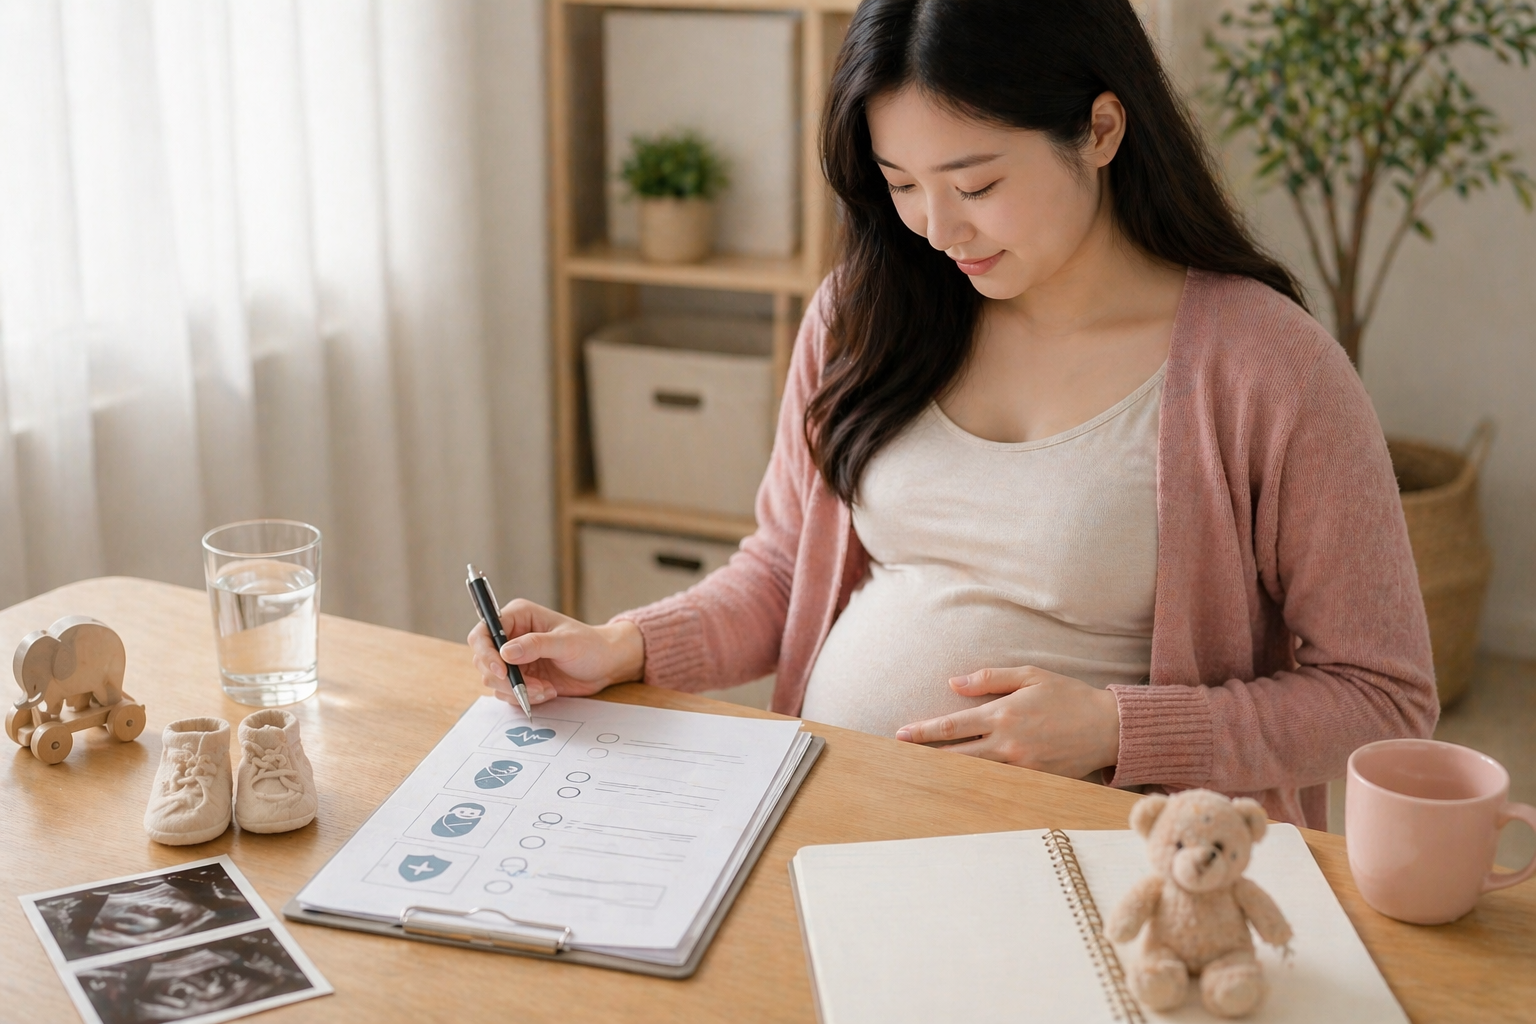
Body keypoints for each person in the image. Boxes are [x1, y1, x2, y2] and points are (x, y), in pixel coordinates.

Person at [470, 0, 1437, 828]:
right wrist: (624, 645)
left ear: (1101, 130)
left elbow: (1384, 698)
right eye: (901, 187)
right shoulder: (866, 313)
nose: (938, 229)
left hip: (1107, 858)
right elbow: (780, 571)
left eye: (976, 184)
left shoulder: (1267, 367)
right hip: (827, 812)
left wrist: (1117, 728)